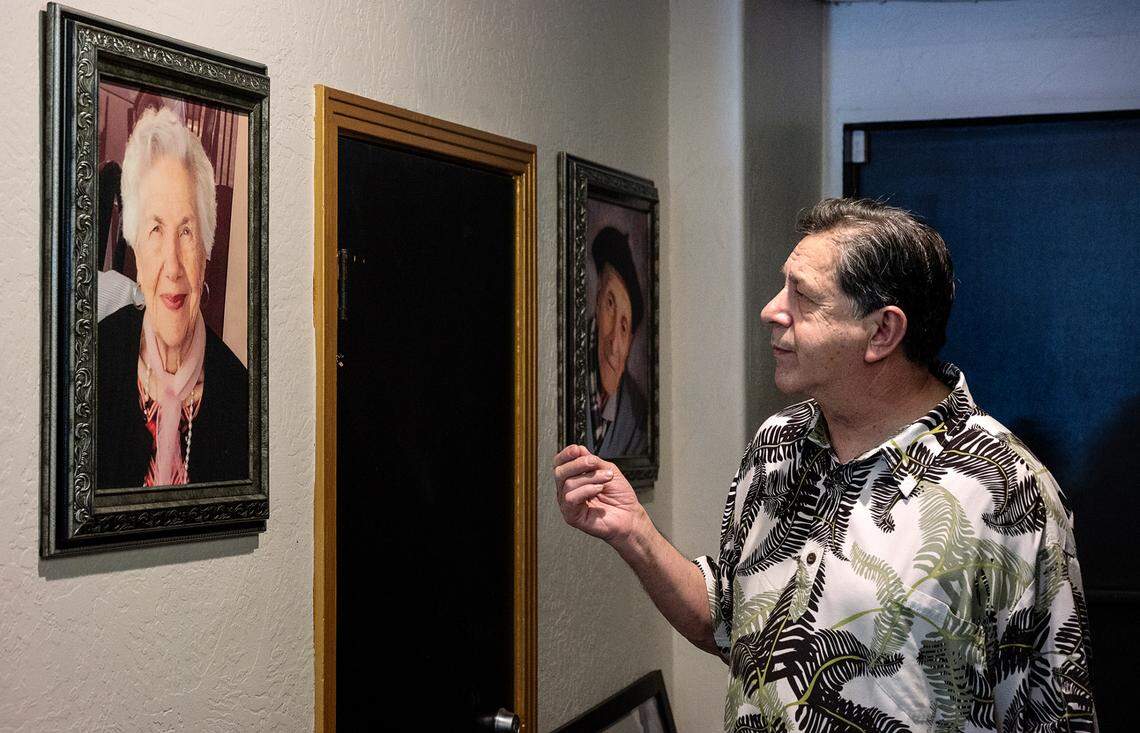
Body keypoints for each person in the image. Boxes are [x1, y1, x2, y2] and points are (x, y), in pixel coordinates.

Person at [555, 199, 1097, 731]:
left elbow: (1054, 713)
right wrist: (636, 533)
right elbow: (727, 623)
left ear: (882, 332)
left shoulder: (1007, 489)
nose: (771, 310)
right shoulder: (776, 445)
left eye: (803, 296)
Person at [97, 106, 248, 489]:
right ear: (134, 243)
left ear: (206, 248)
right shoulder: (95, 359)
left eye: (186, 231)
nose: (173, 266)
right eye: (155, 230)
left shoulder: (240, 395)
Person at [587, 226, 648, 458]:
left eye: (624, 327)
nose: (614, 343)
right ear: (597, 298)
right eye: (610, 304)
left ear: (630, 343)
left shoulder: (636, 414)